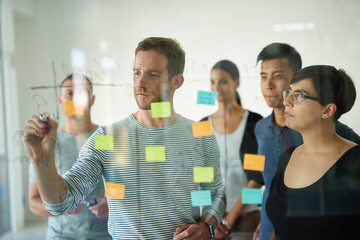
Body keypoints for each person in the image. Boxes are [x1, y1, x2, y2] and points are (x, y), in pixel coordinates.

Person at [23, 37, 226, 240]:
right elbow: (60, 202)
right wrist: (41, 158)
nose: (140, 82)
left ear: (176, 81)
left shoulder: (200, 134)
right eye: (136, 72)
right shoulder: (108, 137)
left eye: (152, 74)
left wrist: (205, 227)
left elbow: (214, 193)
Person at [253, 43, 360, 240]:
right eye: (289, 92)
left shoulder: (353, 160)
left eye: (299, 95)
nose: (287, 101)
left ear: (327, 110)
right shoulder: (285, 155)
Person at [28, 73, 111, 240]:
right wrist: (63, 207)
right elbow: (33, 202)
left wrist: (111, 203)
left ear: (92, 99)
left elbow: (125, 186)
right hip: (61, 235)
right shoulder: (47, 144)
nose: (75, 99)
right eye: (69, 94)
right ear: (61, 100)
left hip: (104, 234)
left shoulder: (106, 139)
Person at [200, 60, 263, 239]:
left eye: (224, 81)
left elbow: (258, 179)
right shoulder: (201, 125)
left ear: (237, 82)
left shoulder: (254, 122)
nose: (217, 87)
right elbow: (199, 177)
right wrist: (209, 216)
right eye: (213, 82)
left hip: (248, 212)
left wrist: (230, 218)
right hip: (212, 217)